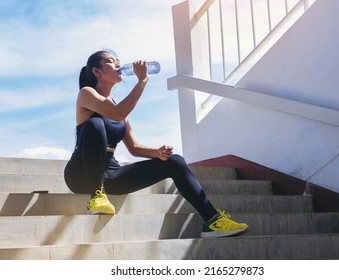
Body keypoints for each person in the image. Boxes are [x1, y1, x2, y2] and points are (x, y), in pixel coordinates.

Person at [64, 49, 249, 238]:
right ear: (97, 71)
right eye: (112, 62)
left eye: (119, 61)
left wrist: (158, 153)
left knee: (175, 161)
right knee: (94, 124)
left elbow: (134, 147)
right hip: (81, 173)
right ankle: (96, 195)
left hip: (111, 175)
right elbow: (117, 113)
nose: (119, 65)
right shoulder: (86, 94)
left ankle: (212, 221)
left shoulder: (118, 106)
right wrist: (142, 82)